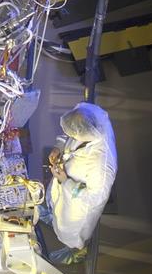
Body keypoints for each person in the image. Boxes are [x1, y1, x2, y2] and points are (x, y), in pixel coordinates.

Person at [47, 102, 117, 264]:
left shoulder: (102, 165)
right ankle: (53, 215)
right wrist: (59, 147)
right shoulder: (91, 115)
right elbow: (73, 130)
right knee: (56, 209)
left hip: (77, 205)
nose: (72, 135)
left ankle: (74, 250)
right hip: (65, 181)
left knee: (68, 231)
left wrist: (66, 182)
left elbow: (95, 199)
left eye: (75, 134)